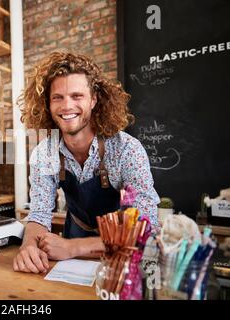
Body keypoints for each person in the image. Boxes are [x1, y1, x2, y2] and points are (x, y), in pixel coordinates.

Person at [13, 52, 160, 274]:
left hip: (120, 255)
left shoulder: (126, 150)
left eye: (76, 96)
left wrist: (73, 247)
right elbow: (39, 214)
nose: (66, 106)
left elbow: (144, 229)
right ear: (47, 104)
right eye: (57, 97)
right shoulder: (45, 153)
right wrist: (29, 246)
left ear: (93, 100)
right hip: (71, 251)